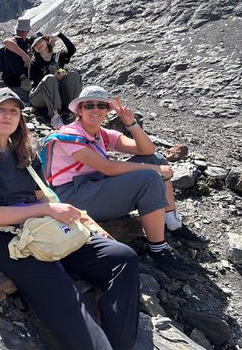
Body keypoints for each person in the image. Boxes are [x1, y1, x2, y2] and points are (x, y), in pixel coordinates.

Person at [0, 87, 140, 350]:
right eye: (0, 110)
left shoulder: (25, 153)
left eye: (13, 111)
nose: (7, 116)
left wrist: (71, 221)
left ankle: (120, 345)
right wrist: (48, 211)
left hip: (39, 225)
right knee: (61, 288)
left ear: (20, 118)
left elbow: (42, 196)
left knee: (122, 258)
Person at [47, 85, 205, 279]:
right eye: (89, 105)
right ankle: (159, 251)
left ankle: (172, 222)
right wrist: (155, 171)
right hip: (72, 196)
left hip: (93, 186)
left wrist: (131, 123)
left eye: (101, 106)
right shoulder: (70, 135)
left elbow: (147, 150)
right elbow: (108, 168)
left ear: (107, 110)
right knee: (150, 176)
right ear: (79, 110)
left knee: (155, 159)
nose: (95, 110)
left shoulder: (102, 134)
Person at [28, 33, 81, 129]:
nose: (39, 45)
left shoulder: (58, 56)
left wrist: (60, 36)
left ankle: (73, 111)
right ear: (33, 49)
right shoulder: (34, 63)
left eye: (40, 41)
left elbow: (72, 50)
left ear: (46, 40)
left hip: (58, 94)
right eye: (35, 45)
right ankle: (54, 115)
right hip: (40, 97)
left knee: (73, 75)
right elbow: (36, 82)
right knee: (50, 78)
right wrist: (54, 77)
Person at [0, 17, 35, 92]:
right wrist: (24, 56)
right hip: (14, 79)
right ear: (27, 31)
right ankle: (23, 78)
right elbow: (6, 42)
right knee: (9, 49)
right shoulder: (16, 40)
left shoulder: (25, 41)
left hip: (11, 77)